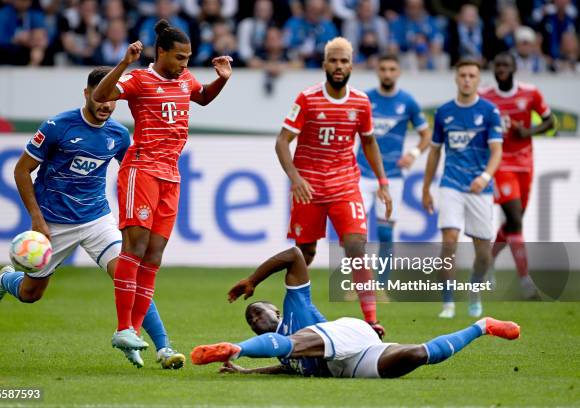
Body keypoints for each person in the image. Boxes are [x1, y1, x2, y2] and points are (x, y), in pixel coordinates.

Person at [0, 67, 181, 369]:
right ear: (87, 94)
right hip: (53, 222)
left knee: (130, 275)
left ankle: (163, 347)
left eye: (111, 101)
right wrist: (37, 219)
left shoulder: (117, 134)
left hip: (96, 219)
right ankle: (7, 279)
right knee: (31, 294)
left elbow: (132, 172)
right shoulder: (57, 126)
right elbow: (22, 171)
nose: (106, 106)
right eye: (100, 99)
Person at [91, 20, 232, 359]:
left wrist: (221, 81)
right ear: (162, 52)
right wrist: (124, 62)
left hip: (171, 174)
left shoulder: (185, 79)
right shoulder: (139, 79)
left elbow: (202, 98)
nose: (185, 64)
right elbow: (101, 95)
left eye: (188, 58)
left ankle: (134, 333)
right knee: (135, 246)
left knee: (154, 255)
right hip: (142, 170)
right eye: (180, 57)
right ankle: (123, 326)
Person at [190, 247, 521, 378]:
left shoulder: (295, 305)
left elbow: (293, 255)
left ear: (274, 308)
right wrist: (248, 373)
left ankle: (235, 347)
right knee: (419, 355)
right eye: (251, 321)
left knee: (294, 343)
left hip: (342, 333)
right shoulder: (283, 349)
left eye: (257, 311)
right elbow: (288, 367)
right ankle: (483, 326)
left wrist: (253, 280)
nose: (255, 317)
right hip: (348, 363)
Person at [275, 37, 392, 337]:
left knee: (355, 247)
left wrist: (382, 182)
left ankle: (371, 320)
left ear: (351, 66)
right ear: (324, 64)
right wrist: (296, 178)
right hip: (309, 188)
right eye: (333, 61)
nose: (338, 67)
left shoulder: (361, 102)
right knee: (305, 254)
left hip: (344, 185)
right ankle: (295, 316)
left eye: (343, 62)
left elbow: (368, 142)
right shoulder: (307, 99)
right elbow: (282, 142)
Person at [422, 59, 503, 319]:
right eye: (463, 75)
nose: (467, 79)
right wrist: (426, 188)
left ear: (479, 80)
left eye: (472, 75)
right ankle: (448, 303)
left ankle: (475, 289)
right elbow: (434, 152)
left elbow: (496, 151)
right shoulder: (444, 112)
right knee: (449, 244)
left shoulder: (490, 111)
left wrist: (485, 176)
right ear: (456, 79)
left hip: (480, 188)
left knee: (483, 254)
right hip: (451, 184)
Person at [480, 52, 554, 298]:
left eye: (505, 65)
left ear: (513, 68)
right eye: (497, 65)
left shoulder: (530, 93)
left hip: (525, 164)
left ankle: (488, 260)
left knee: (514, 222)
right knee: (514, 217)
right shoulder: (485, 97)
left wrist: (529, 131)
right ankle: (525, 281)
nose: (501, 68)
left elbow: (549, 121)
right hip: (500, 164)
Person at [357, 53, 430, 298]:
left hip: (393, 176)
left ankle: (382, 286)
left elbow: (426, 135)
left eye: (392, 69)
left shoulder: (407, 102)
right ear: (378, 71)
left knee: (386, 232)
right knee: (355, 231)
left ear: (398, 72)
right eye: (384, 69)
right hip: (362, 173)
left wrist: (413, 153)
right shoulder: (365, 99)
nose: (387, 73)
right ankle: (359, 284)